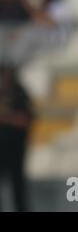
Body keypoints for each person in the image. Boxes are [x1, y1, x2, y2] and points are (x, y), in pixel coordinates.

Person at [0, 63, 34, 212]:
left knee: (18, 188)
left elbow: (26, 119)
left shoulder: (19, 94)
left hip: (15, 149)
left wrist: (6, 118)